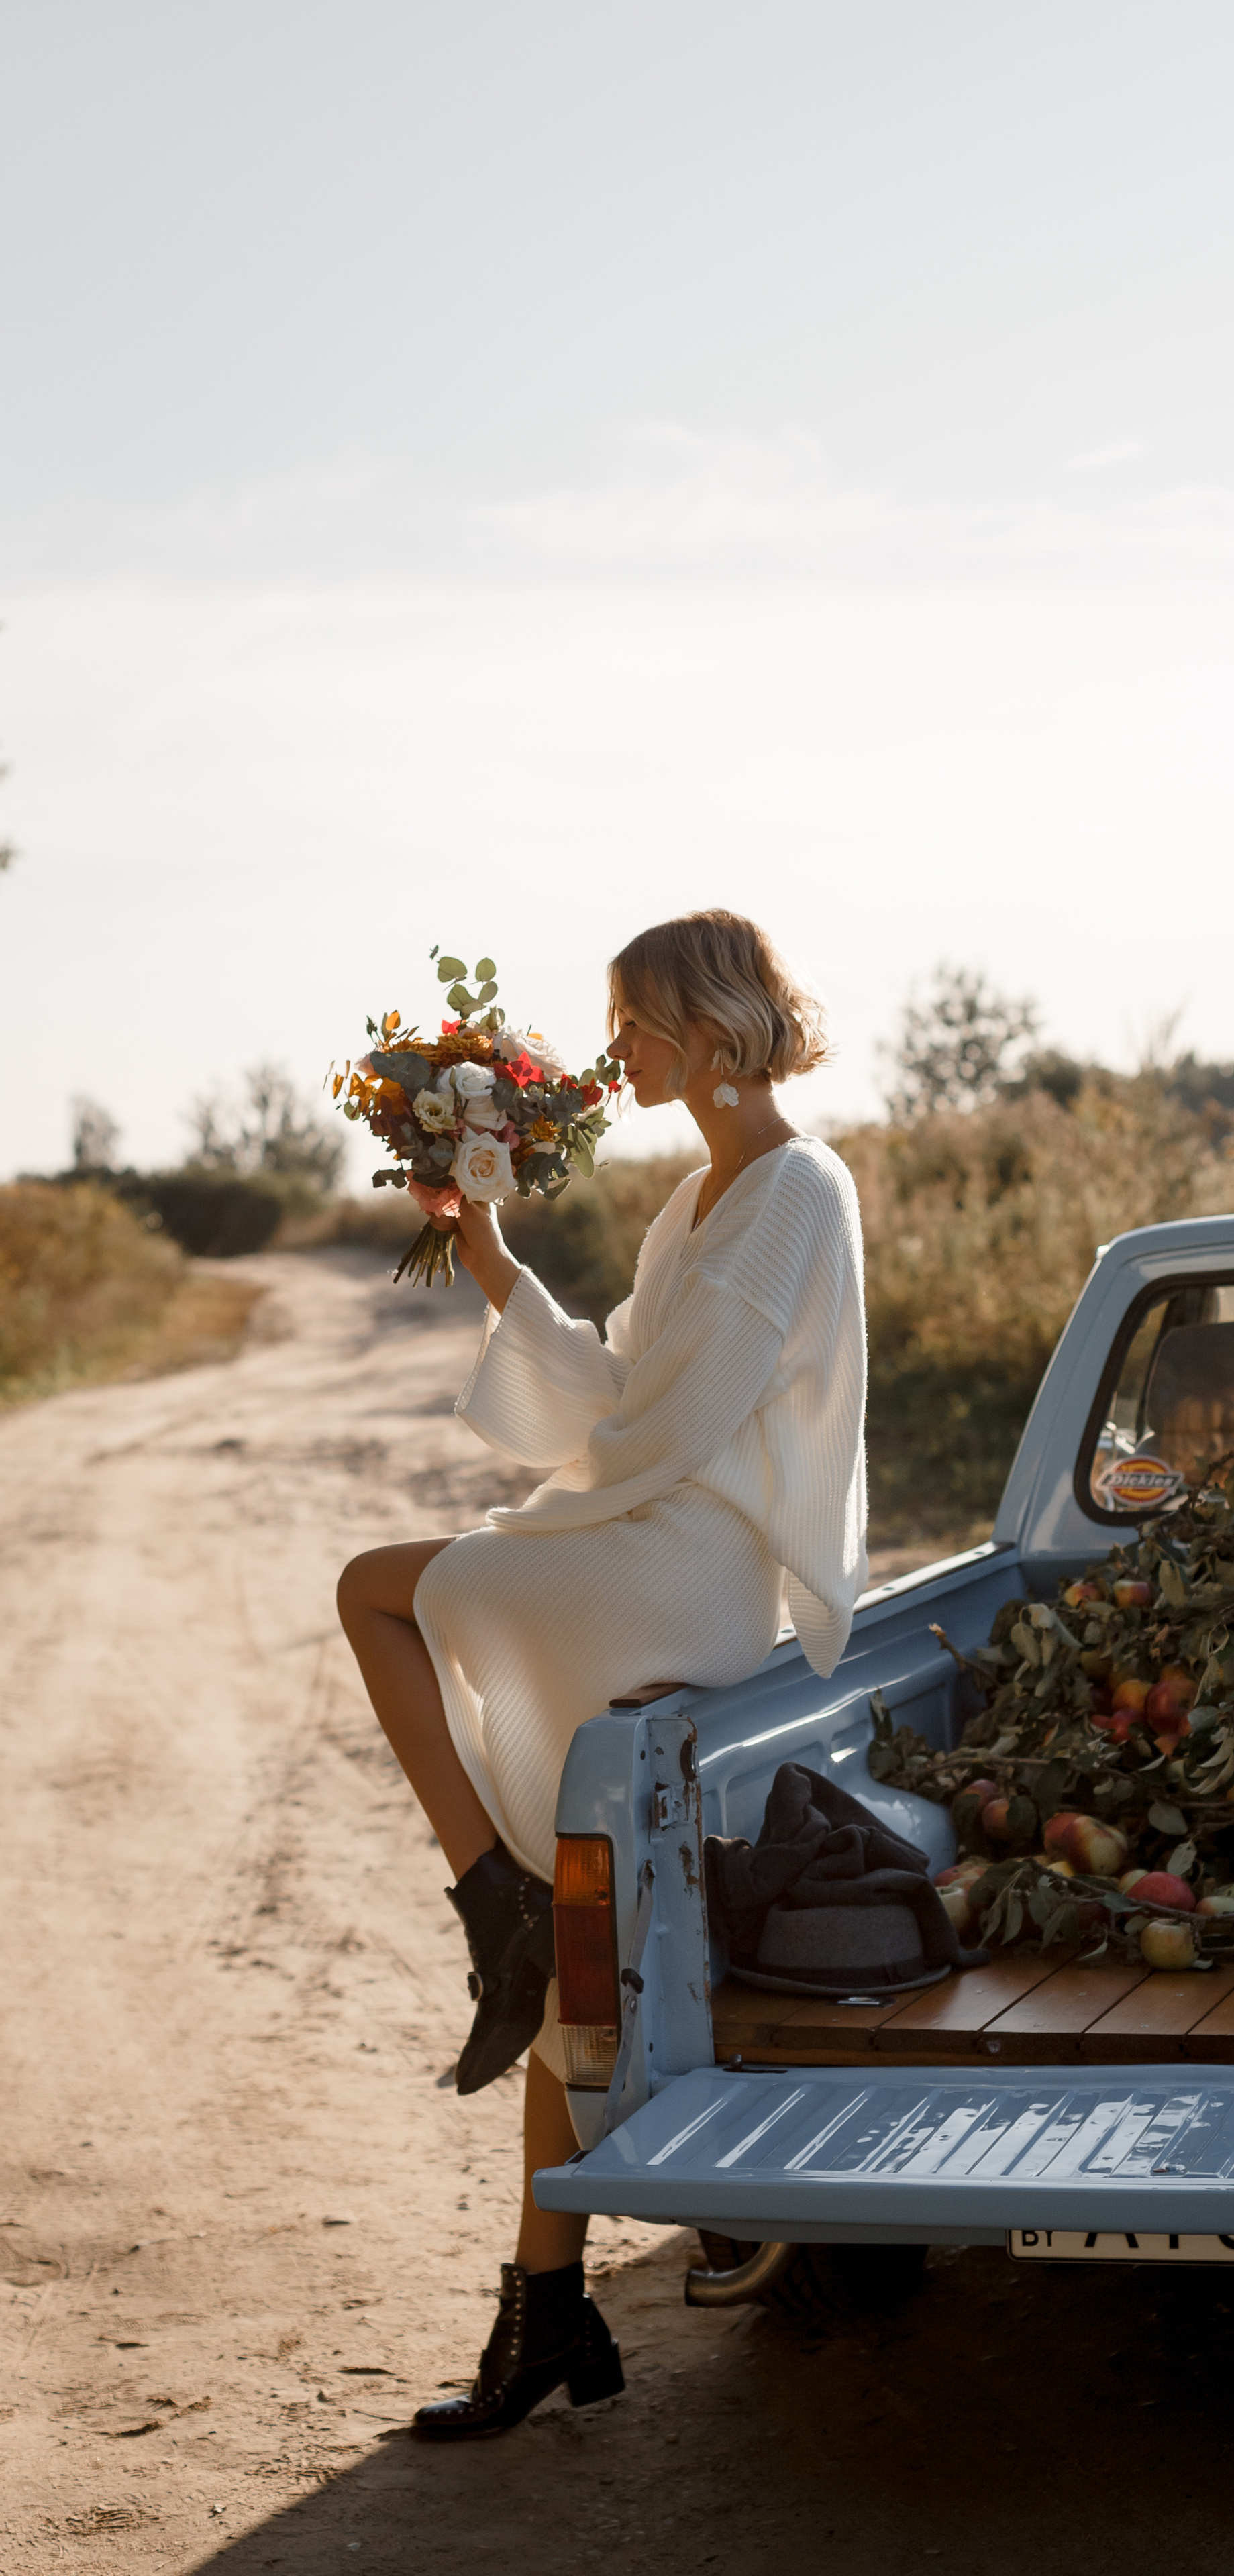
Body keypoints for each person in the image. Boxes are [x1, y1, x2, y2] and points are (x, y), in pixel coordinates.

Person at [336, 909, 867, 2440]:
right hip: (645, 1532)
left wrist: (547, 1515)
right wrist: (491, 1253)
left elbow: (663, 1430)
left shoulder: (791, 1189)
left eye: (632, 1021)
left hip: (684, 1566)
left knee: (378, 1595)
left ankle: (488, 1900)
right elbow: (615, 1393)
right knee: (587, 1933)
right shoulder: (699, 1199)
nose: (610, 1049)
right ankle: (546, 2312)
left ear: (707, 1028)